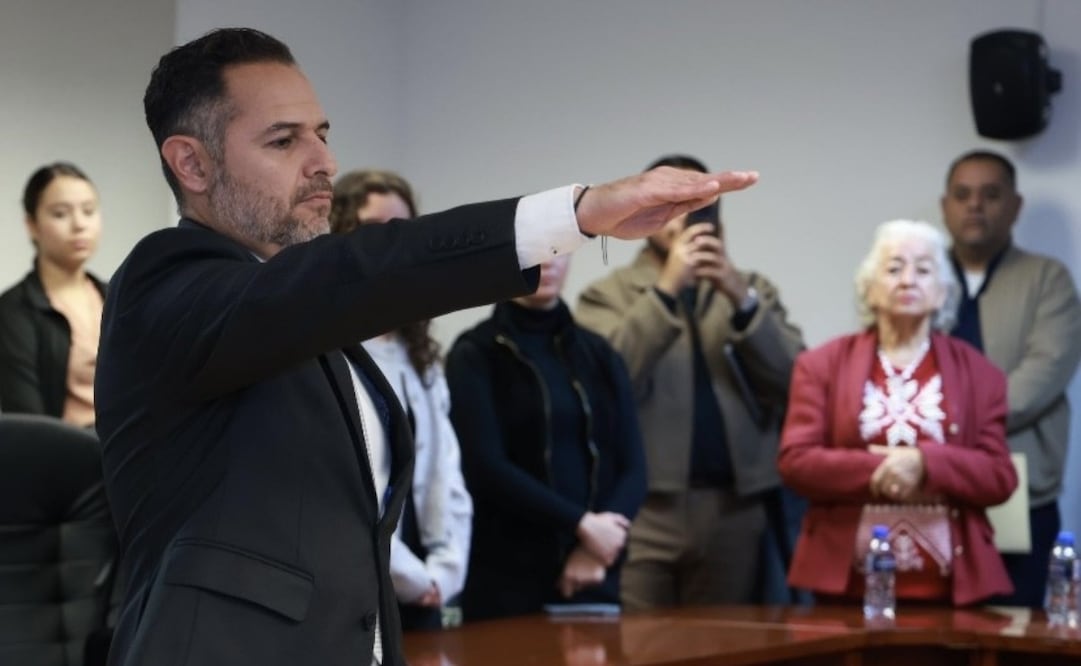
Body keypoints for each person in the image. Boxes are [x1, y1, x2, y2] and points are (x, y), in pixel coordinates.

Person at [93, 27, 758, 666]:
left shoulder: (295, 309)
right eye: (284, 140)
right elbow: (358, 271)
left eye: (323, 134)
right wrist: (575, 215)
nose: (324, 162)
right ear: (192, 163)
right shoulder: (167, 282)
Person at [575, 154, 804, 610]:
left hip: (735, 508)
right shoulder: (608, 295)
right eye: (673, 206)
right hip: (645, 511)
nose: (686, 220)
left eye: (700, 207)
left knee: (728, 643)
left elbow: (797, 380)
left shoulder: (751, 288)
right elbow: (603, 384)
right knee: (639, 643)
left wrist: (740, 297)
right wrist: (665, 290)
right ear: (644, 216)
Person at [779, 219, 1018, 606]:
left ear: (942, 292)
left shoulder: (981, 374)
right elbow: (796, 462)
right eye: (893, 268)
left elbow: (999, 476)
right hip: (844, 589)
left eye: (923, 270)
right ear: (869, 288)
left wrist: (925, 463)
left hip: (951, 593)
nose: (908, 280)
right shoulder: (820, 365)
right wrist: (881, 468)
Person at [445, 253, 647, 621]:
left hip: (594, 569)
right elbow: (485, 467)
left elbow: (634, 466)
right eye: (536, 250)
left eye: (559, 250)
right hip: (509, 574)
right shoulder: (475, 353)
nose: (548, 262)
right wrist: (583, 525)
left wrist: (598, 545)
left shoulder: (598, 353)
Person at [329, 169, 471, 630]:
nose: (392, 244)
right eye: (374, 229)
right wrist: (409, 575)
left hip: (425, 585)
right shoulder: (328, 349)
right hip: (358, 583)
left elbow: (447, 473)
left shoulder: (418, 352)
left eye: (403, 230)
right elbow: (348, 490)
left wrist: (445, 571)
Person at [940, 150, 1081, 607]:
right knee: (928, 627)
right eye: (962, 195)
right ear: (945, 206)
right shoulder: (921, 277)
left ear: (1015, 205)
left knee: (1014, 625)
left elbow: (1044, 372)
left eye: (990, 194)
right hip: (932, 488)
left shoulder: (1047, 279)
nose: (974, 205)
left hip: (1019, 487)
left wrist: (951, 426)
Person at [0, 162, 106, 427]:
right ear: (32, 225)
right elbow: (28, 422)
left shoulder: (118, 296)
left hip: (134, 446)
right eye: (60, 214)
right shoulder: (14, 309)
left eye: (89, 211)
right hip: (66, 449)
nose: (79, 224)